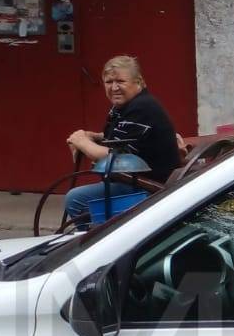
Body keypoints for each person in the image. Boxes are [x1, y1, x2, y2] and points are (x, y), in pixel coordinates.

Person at [63, 55, 181, 227]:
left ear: (138, 82)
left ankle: (99, 239)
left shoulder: (142, 108)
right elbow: (122, 138)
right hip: (135, 180)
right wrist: (93, 136)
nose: (114, 87)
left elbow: (116, 157)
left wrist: (81, 141)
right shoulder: (127, 106)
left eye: (120, 81)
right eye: (109, 82)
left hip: (151, 188)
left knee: (75, 198)